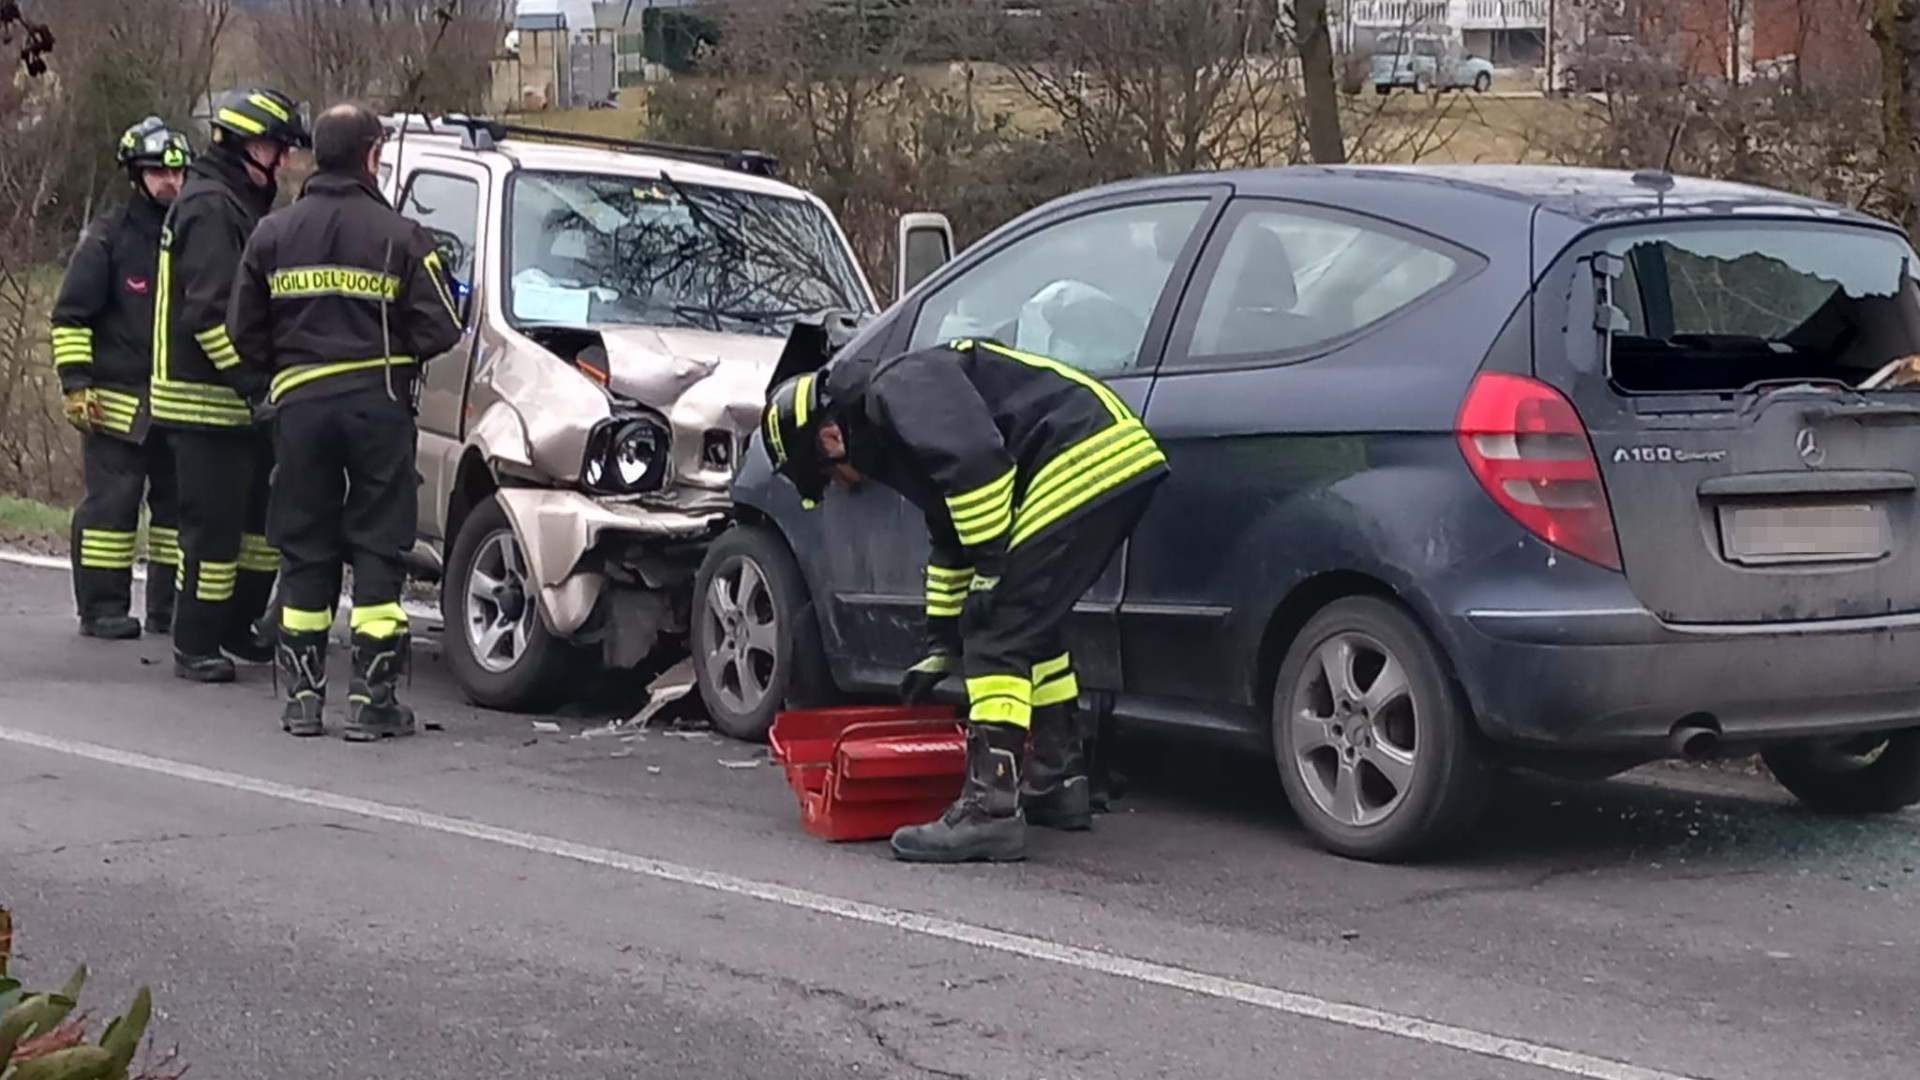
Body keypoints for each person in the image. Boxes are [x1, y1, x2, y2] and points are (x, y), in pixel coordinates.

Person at [761, 337, 1170, 863]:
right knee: (1027, 626)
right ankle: (1058, 779)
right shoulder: (894, 422)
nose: (841, 487)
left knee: (998, 628)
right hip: (1101, 454)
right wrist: (941, 641)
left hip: (1080, 456)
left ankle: (990, 811)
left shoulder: (896, 389)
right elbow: (951, 530)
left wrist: (991, 573)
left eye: (827, 477)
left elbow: (979, 467)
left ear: (831, 438)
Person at [227, 103, 463, 741]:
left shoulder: (272, 234)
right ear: (369, 157)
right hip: (377, 408)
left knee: (305, 546)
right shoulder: (402, 237)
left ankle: (303, 699)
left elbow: (239, 332)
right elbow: (444, 325)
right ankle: (372, 699)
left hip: (299, 410)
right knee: (377, 546)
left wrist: (282, 368)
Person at [152, 87, 309, 683]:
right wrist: (253, 385)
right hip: (204, 402)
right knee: (213, 532)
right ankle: (194, 641)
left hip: (238, 404)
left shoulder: (240, 203)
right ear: (246, 146)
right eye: (278, 149)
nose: (286, 164)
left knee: (258, 531)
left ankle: (237, 626)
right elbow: (211, 314)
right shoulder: (212, 208)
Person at [50, 118, 192, 640]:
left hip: (177, 402)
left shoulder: (193, 237)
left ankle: (169, 609)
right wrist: (76, 384)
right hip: (112, 401)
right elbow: (70, 316)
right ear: (136, 175)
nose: (170, 182)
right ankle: (103, 608)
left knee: (177, 513)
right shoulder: (107, 239)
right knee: (112, 510)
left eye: (177, 172)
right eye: (158, 172)